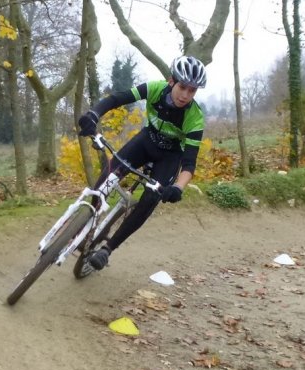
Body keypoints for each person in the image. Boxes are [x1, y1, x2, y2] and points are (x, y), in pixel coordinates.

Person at [76, 55, 208, 271]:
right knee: (109, 175)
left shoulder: (195, 118)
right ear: (171, 81)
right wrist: (93, 115)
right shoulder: (155, 88)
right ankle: (85, 222)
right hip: (146, 141)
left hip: (170, 156)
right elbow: (117, 99)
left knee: (150, 199)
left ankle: (107, 249)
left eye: (192, 90)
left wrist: (177, 188)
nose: (186, 95)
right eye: (183, 86)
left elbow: (189, 163)